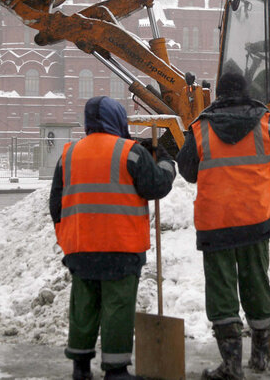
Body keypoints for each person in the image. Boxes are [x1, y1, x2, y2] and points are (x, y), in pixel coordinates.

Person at [176, 72, 270, 379]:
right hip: (256, 218)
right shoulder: (267, 123)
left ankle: (231, 364)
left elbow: (188, 170)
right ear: (246, 92)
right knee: (256, 281)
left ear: (219, 95)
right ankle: (260, 355)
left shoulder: (201, 127)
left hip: (215, 221)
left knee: (221, 290)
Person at [49, 96, 176, 380]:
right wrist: (165, 161)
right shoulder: (131, 152)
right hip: (120, 246)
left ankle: (80, 368)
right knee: (117, 307)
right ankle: (116, 370)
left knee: (84, 305)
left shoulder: (68, 154)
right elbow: (156, 186)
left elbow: (55, 206)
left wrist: (67, 238)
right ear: (117, 119)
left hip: (80, 247)